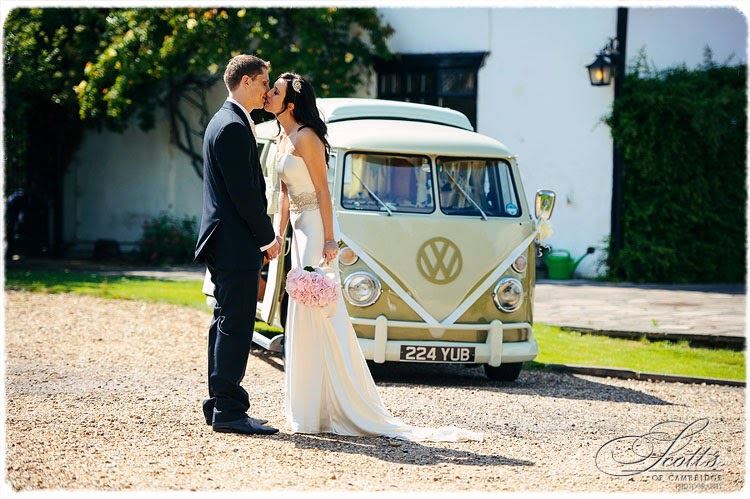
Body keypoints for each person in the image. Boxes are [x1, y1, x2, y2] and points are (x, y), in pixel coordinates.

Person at [264, 72, 483, 442]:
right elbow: (285, 194)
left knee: (323, 315)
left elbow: (323, 192)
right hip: (298, 232)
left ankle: (344, 404)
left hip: (317, 228)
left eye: (275, 91)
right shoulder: (282, 137)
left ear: (290, 104)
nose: (268, 94)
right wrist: (279, 234)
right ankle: (308, 409)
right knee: (300, 315)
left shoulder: (306, 137)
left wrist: (331, 241)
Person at [194, 55, 281, 436]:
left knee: (227, 320)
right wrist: (267, 237)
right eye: (264, 82)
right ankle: (228, 410)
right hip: (233, 241)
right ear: (246, 82)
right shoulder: (230, 126)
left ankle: (220, 403)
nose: (267, 90)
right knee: (236, 324)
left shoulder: (226, 121)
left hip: (227, 239)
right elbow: (243, 194)